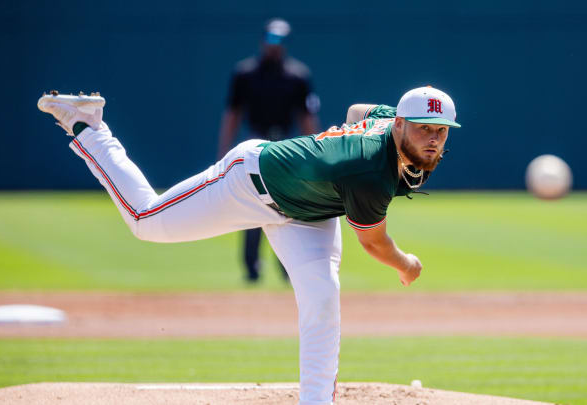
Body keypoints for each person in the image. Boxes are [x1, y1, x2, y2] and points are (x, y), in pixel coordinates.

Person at [37, 85, 460, 405]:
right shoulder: (369, 169)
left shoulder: (391, 124)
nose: (433, 139)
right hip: (249, 182)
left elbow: (357, 111)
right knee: (146, 220)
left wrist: (341, 140)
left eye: (440, 131)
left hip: (309, 212)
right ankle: (90, 126)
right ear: (401, 125)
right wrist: (406, 265)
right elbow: (375, 245)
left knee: (323, 299)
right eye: (423, 128)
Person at [218, 18, 320, 283]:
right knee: (252, 204)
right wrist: (224, 151)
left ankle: (288, 267)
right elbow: (233, 113)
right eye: (272, 39)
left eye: (281, 40)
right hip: (255, 144)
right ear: (263, 41)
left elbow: (307, 116)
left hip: (285, 145)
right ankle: (251, 267)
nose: (275, 46)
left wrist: (315, 154)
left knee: (288, 206)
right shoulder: (246, 73)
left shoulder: (297, 75)